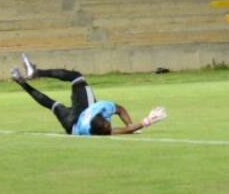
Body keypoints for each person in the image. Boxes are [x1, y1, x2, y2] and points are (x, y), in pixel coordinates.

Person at [10, 54, 165, 135]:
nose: (110, 126)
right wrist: (144, 122)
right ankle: (21, 79)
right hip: (72, 126)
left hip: (73, 123)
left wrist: (135, 126)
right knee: (56, 100)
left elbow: (122, 114)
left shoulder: (97, 114)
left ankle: (31, 75)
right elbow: (125, 126)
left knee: (71, 83)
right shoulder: (99, 118)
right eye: (109, 126)